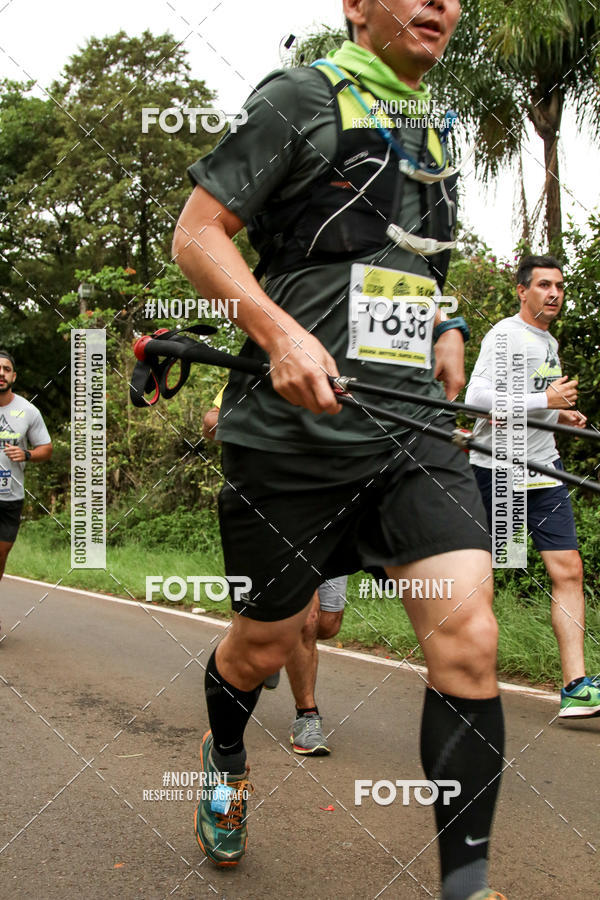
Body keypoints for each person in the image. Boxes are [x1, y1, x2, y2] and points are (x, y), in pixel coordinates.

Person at [175, 3, 506, 899]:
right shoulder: (301, 96)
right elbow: (197, 234)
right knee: (265, 644)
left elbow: (418, 262)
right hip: (291, 439)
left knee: (471, 637)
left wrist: (447, 319)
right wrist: (279, 333)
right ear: (357, 5)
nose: (440, 3)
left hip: (407, 429)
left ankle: (464, 884)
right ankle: (228, 757)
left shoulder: (432, 131)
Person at [466, 255, 600, 719]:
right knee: (480, 578)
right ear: (522, 291)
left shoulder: (548, 342)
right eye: (544, 285)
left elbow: (526, 404)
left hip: (543, 469)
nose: (554, 293)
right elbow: (476, 399)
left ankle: (575, 687)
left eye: (559, 285)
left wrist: (557, 414)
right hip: (499, 468)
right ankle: (462, 675)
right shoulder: (505, 334)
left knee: (569, 570)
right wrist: (546, 399)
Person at [203, 395, 348, 755]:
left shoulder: (357, 372)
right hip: (281, 510)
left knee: (327, 623)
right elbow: (211, 422)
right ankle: (307, 717)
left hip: (337, 510)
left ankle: (268, 641)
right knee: (306, 619)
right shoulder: (271, 365)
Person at [0, 351, 53, 635]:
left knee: (0, 557)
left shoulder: (27, 411)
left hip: (10, 498)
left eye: (6, 369)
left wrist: (27, 454)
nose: (1, 373)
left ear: (13, 376)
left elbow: (47, 448)